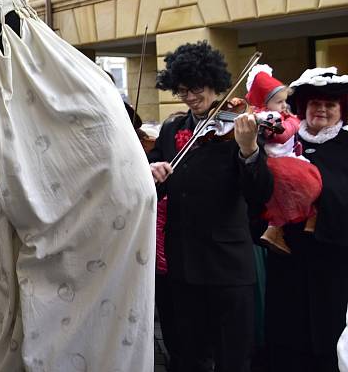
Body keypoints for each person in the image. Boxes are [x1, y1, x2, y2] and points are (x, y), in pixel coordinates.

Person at [147, 41, 273, 372]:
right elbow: (151, 181)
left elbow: (259, 193)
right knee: (188, 355)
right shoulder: (173, 128)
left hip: (227, 266)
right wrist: (150, 171)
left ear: (214, 83)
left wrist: (248, 151)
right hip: (184, 263)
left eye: (196, 88)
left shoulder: (238, 126)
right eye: (182, 90)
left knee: (233, 356)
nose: (189, 97)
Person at [264, 66, 348, 372]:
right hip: (288, 256)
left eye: (330, 105)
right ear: (304, 107)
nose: (322, 110)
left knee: (330, 336)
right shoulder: (282, 144)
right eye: (315, 104)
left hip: (333, 257)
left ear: (341, 110)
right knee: (288, 337)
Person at [244, 64, 322, 255]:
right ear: (265, 102)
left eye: (284, 101)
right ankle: (275, 228)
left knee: (309, 180)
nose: (284, 106)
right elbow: (281, 135)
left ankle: (308, 218)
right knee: (299, 184)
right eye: (279, 102)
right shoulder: (267, 116)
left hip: (287, 156)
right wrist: (290, 124)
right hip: (278, 160)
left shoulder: (276, 114)